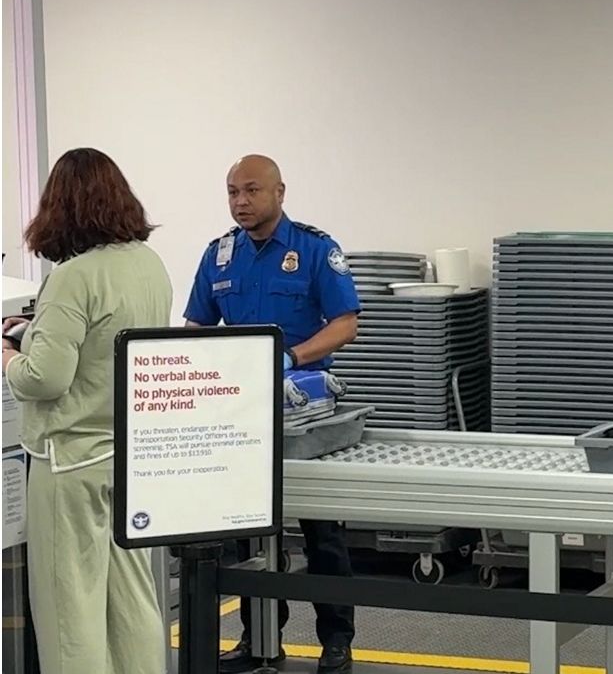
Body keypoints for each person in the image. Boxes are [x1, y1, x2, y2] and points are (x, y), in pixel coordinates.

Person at [184, 154, 360, 674]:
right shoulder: (219, 256)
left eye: (252, 190)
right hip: (243, 414)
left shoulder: (315, 249)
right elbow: (196, 328)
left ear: (280, 192)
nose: (241, 202)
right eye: (232, 192)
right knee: (250, 532)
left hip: (307, 411)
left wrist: (292, 357)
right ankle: (260, 638)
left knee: (322, 534)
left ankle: (336, 639)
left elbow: (345, 323)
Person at [2, 148, 171, 674]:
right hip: (128, 456)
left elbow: (46, 378)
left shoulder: (73, 276)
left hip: (69, 461)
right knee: (131, 600)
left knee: (69, 607)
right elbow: (104, 344)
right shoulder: (148, 264)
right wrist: (36, 333)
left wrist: (9, 358)